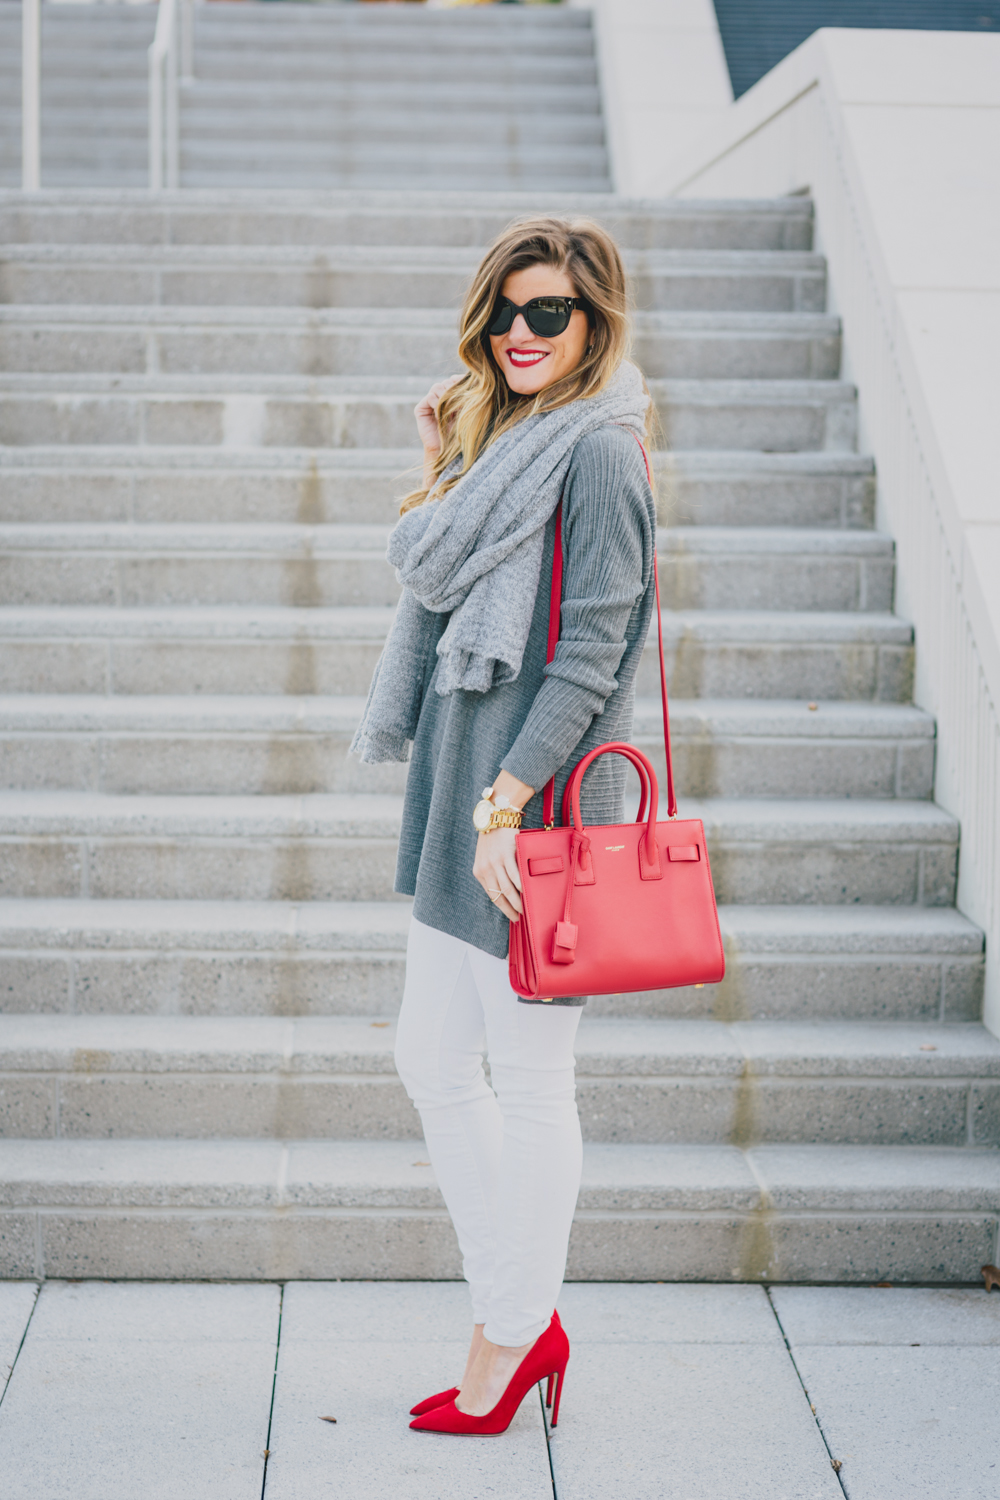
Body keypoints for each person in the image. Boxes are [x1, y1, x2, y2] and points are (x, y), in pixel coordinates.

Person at [351, 215, 657, 1435]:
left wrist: (506, 804)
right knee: (431, 1059)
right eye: (506, 313)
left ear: (593, 325)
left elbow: (595, 653)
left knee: (530, 1080)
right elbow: (439, 572)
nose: (520, 334)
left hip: (533, 806)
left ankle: (508, 1336)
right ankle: (521, 1314)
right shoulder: (514, 436)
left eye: (549, 315)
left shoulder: (599, 455)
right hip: (467, 789)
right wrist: (446, 447)